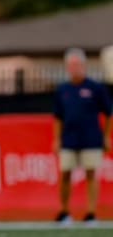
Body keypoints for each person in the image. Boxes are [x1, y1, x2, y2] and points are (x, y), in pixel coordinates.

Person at [53, 48, 112, 225]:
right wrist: (56, 139)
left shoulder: (95, 88)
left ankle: (91, 213)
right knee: (65, 174)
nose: (74, 68)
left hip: (91, 138)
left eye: (77, 64)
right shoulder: (63, 89)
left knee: (91, 174)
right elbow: (58, 117)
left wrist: (106, 136)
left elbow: (109, 113)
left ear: (84, 65)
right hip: (69, 138)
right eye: (71, 65)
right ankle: (64, 211)